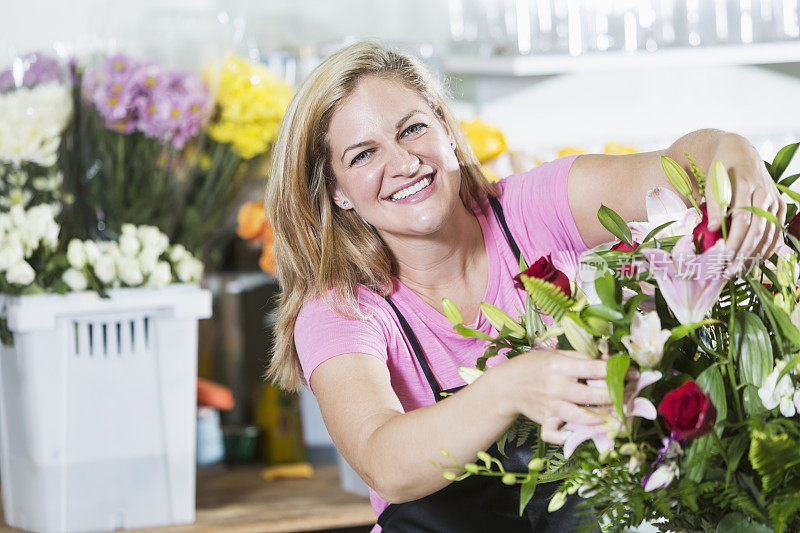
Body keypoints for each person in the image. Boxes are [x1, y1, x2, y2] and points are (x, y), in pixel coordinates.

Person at [264, 41, 784, 532]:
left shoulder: (534, 209)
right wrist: (512, 386)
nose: (402, 163)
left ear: (446, 128)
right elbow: (384, 462)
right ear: (337, 191)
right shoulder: (342, 311)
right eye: (363, 155)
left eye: (412, 129)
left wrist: (735, 155)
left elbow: (681, 166)